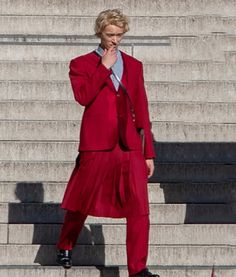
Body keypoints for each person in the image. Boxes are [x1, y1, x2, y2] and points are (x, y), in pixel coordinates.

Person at [56, 9, 159, 277]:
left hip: (129, 145)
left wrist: (148, 152)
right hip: (97, 143)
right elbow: (83, 97)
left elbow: (142, 108)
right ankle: (66, 244)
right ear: (99, 33)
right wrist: (103, 67)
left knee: (139, 208)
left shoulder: (135, 66)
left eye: (118, 35)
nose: (114, 40)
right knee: (81, 199)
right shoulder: (80, 64)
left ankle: (138, 269)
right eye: (109, 34)